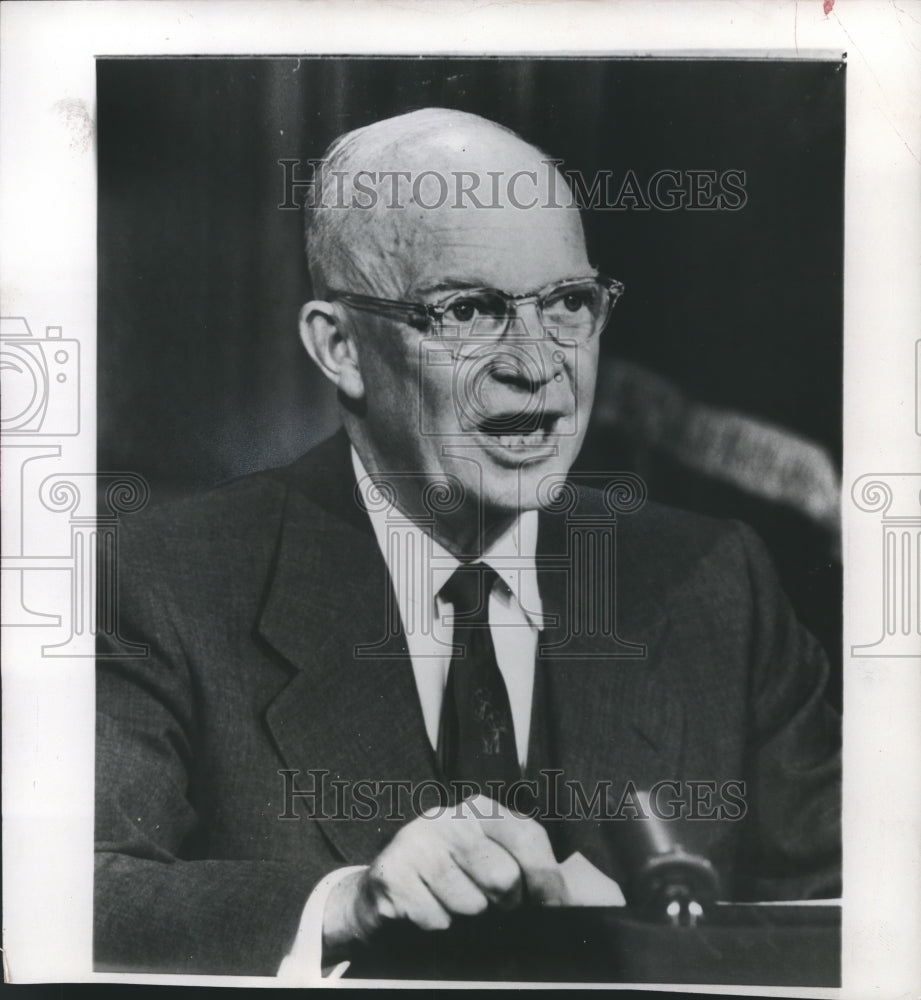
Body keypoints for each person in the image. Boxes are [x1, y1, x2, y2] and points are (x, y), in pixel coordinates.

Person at [94, 108, 841, 979]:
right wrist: (344, 904)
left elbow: (864, 913)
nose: (537, 363)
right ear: (340, 347)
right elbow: (74, 897)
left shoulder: (715, 581)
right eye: (469, 310)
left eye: (568, 303)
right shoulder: (159, 582)